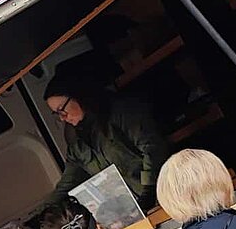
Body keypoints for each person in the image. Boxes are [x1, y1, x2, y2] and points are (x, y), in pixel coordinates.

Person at [39, 55, 169, 215]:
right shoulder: (77, 142)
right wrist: (41, 214)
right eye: (57, 113)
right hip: (136, 208)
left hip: (166, 190)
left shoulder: (121, 112)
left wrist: (149, 190)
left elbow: (153, 148)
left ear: (78, 95)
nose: (62, 118)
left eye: (62, 110)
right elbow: (67, 183)